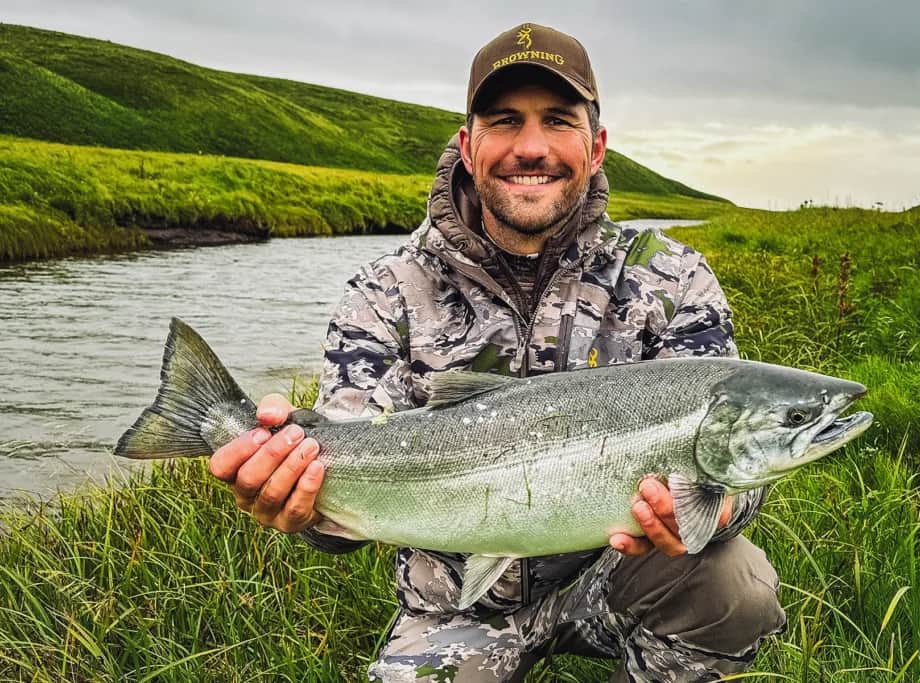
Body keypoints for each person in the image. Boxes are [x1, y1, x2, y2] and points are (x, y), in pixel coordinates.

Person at [208, 22, 787, 682]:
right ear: (468, 144)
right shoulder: (385, 291)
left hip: (617, 576)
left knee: (735, 580)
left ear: (596, 147)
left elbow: (740, 461)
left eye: (558, 121)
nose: (531, 147)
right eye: (505, 120)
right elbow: (341, 471)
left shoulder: (671, 279)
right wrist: (297, 501)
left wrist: (716, 509)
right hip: (451, 603)